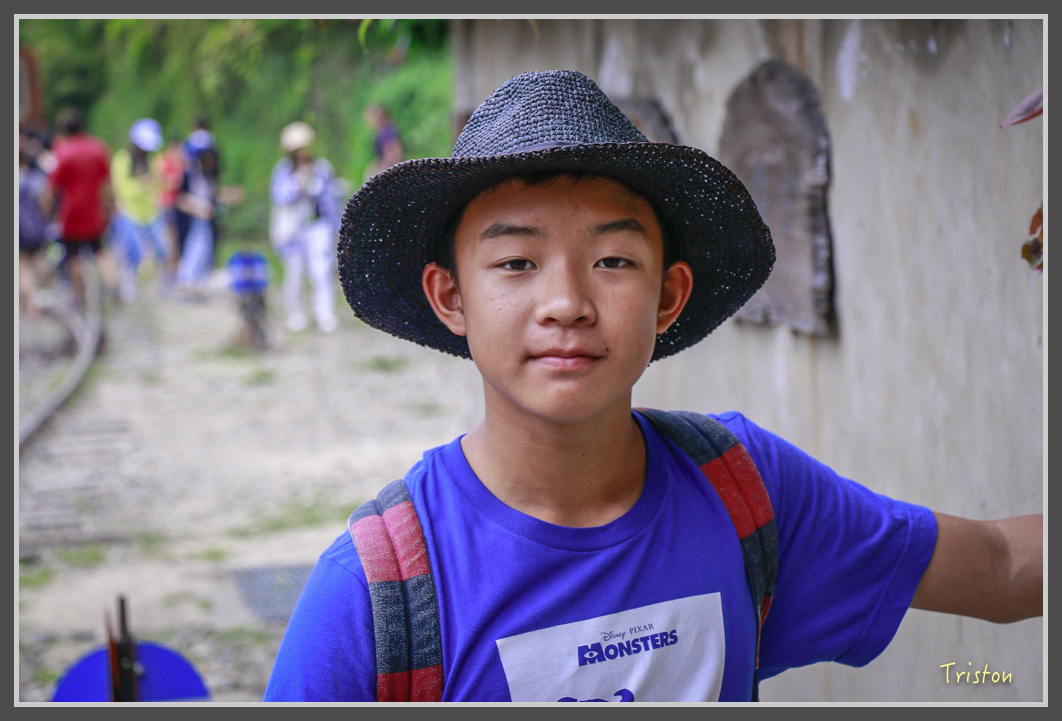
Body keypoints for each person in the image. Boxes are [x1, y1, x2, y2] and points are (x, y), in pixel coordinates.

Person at [263, 71, 1042, 702]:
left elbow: (1002, 565)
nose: (566, 302)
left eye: (613, 261)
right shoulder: (377, 595)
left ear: (668, 296)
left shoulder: (743, 491)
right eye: (516, 262)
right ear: (451, 297)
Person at [269, 121, 340, 333]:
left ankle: (325, 313)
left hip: (317, 226)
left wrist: (337, 228)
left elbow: (330, 201)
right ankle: (296, 312)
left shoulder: (322, 169)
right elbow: (280, 198)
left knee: (322, 270)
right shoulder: (283, 171)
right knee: (295, 272)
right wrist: (298, 184)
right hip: (292, 229)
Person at [46, 108, 119, 309]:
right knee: (100, 250)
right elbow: (107, 183)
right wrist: (112, 206)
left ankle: (79, 296)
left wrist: (47, 212)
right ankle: (112, 282)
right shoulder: (98, 148)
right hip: (94, 211)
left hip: (71, 213)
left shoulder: (62, 152)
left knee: (73, 256)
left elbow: (51, 188)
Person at [110, 118, 172, 301]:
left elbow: (159, 185)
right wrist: (145, 183)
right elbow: (122, 189)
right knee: (130, 252)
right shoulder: (122, 159)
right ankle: (128, 286)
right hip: (130, 212)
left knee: (164, 249)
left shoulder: (152, 160)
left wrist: (160, 182)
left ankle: (165, 285)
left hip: (152, 212)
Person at [362, 104, 405, 180]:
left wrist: (383, 170)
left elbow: (394, 152)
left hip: (391, 169)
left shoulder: (387, 131)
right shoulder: (381, 132)